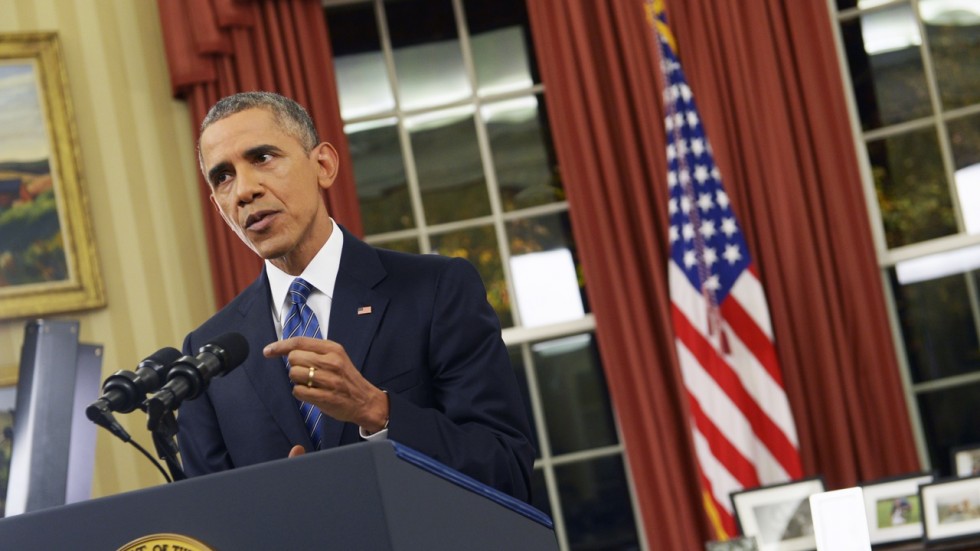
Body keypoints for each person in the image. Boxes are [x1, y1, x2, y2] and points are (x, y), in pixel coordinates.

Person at [175, 91, 535, 502]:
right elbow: (211, 523)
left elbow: (507, 468)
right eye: (223, 176)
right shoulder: (206, 355)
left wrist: (377, 410)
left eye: (262, 158)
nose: (243, 190)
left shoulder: (436, 291)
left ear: (323, 165)